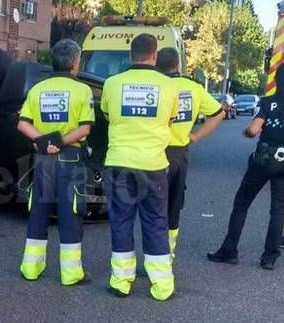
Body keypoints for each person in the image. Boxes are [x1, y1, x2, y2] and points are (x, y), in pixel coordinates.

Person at [101, 34, 178, 301]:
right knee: (156, 221)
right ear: (154, 55)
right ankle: (162, 286)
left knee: (121, 221)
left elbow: (108, 115)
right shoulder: (169, 86)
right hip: (153, 165)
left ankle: (121, 281)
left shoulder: (112, 84)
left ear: (130, 55)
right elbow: (170, 119)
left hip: (119, 162)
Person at [17, 39, 94, 286]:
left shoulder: (38, 89)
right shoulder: (82, 90)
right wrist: (60, 142)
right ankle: (71, 274)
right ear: (75, 63)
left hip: (43, 159)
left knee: (38, 210)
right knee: (70, 212)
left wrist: (43, 141)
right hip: (69, 158)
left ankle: (31, 267)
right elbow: (85, 128)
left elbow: (22, 123)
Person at [208, 64, 284, 270]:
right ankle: (269, 257)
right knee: (278, 209)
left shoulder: (268, 102)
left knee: (242, 202)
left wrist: (247, 133)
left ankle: (229, 250)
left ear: (276, 82)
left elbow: (253, 130)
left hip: (264, 160)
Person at [155, 48, 225, 260]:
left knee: (152, 206)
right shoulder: (193, 88)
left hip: (154, 152)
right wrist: (196, 136)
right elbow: (219, 112)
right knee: (174, 205)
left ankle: (153, 253)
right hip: (179, 154)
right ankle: (168, 255)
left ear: (156, 64)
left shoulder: (157, 86)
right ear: (177, 65)